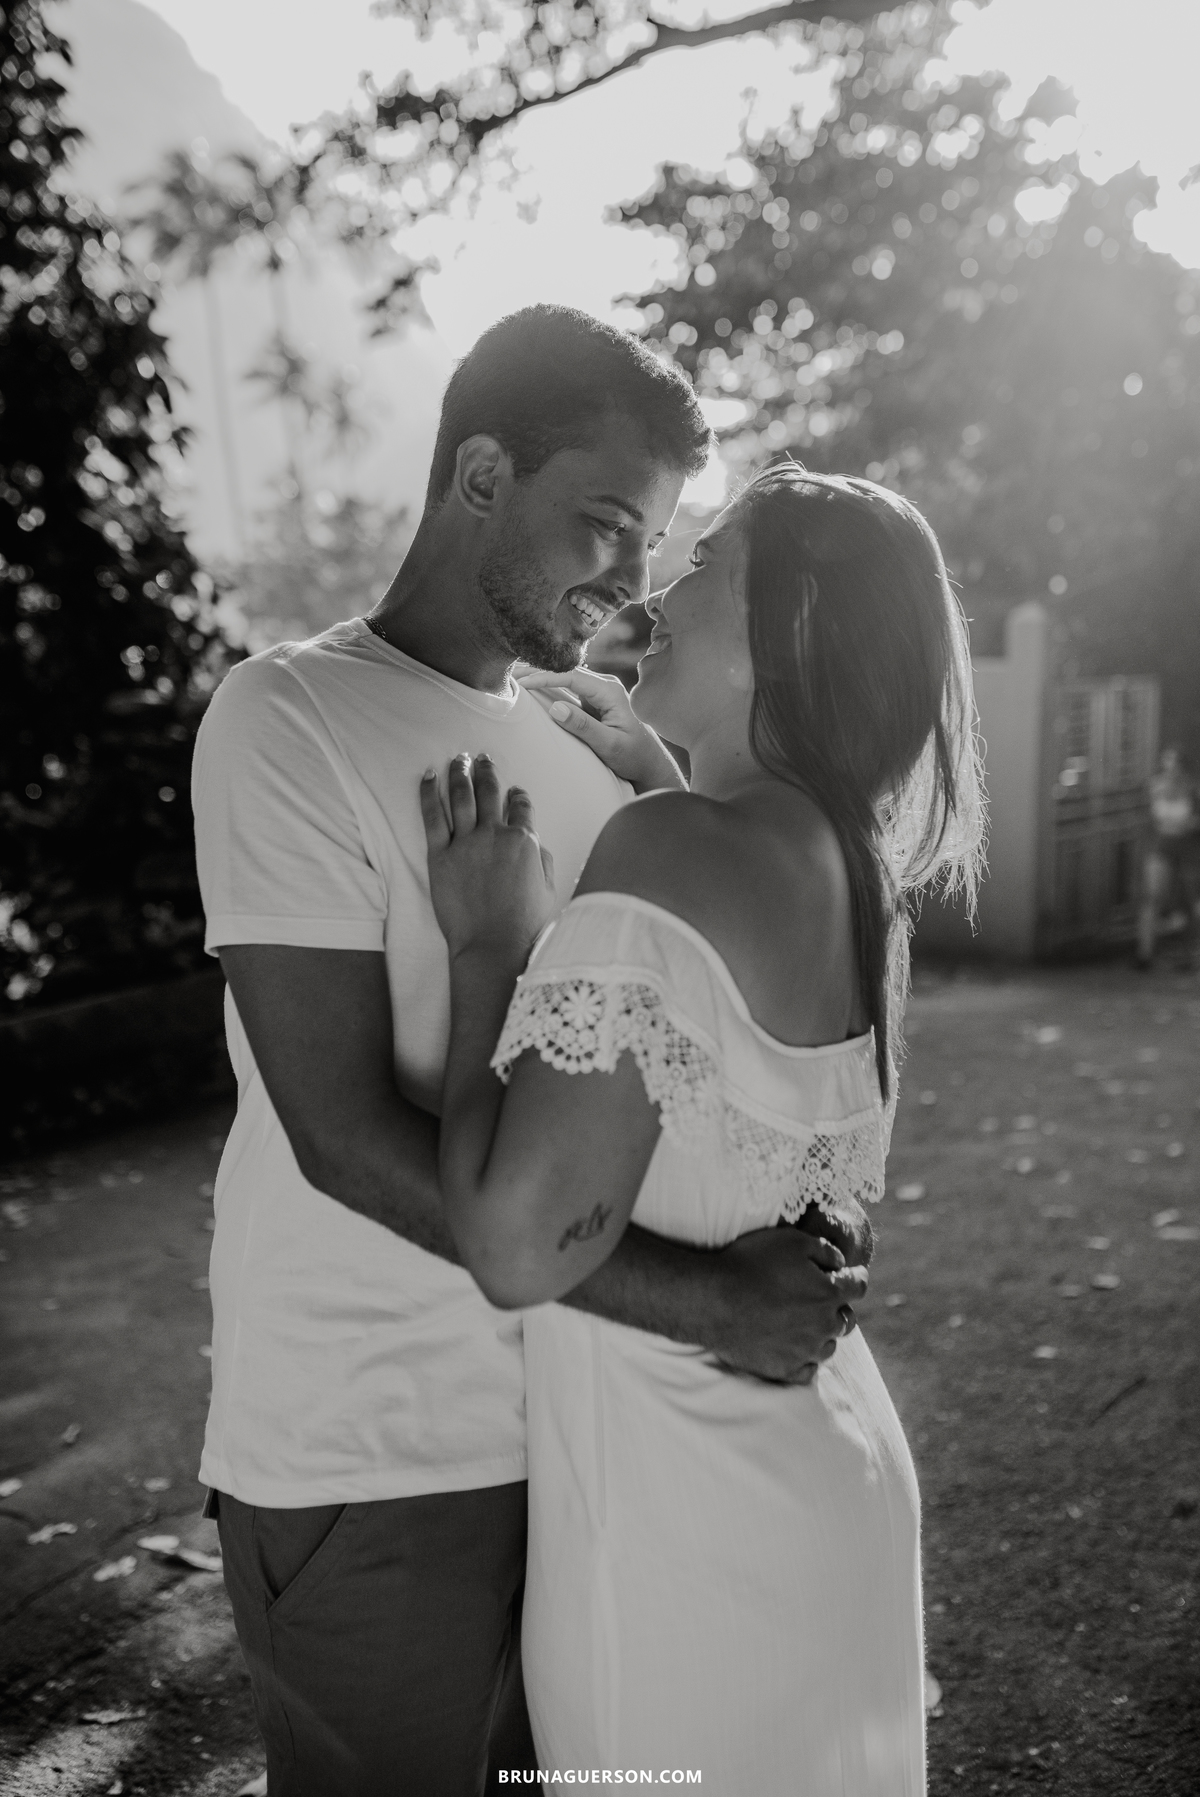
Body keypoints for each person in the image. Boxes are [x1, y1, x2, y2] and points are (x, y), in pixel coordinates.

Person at [191, 309, 872, 1796]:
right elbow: (342, 1134)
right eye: (609, 523)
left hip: (605, 1446)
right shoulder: (289, 715)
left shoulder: (598, 753)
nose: (633, 579)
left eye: (659, 542)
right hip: (383, 1452)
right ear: (483, 474)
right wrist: (713, 1301)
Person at [420, 466, 985, 1793]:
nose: (660, 588)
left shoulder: (674, 849)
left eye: (708, 559)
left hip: (686, 1539)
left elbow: (513, 1246)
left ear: (794, 624)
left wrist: (490, 947)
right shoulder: (857, 868)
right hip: (823, 1483)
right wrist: (667, 769)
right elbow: (735, 1109)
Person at [1135, 747, 1198, 970]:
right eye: (1168, 761)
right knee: (1152, 897)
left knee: (1188, 902)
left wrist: (1192, 824)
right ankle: (1145, 954)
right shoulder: (1154, 786)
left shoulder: (1192, 788)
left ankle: (1188, 956)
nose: (1172, 766)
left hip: (1187, 848)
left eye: (1176, 762)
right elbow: (1145, 819)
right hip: (1161, 846)